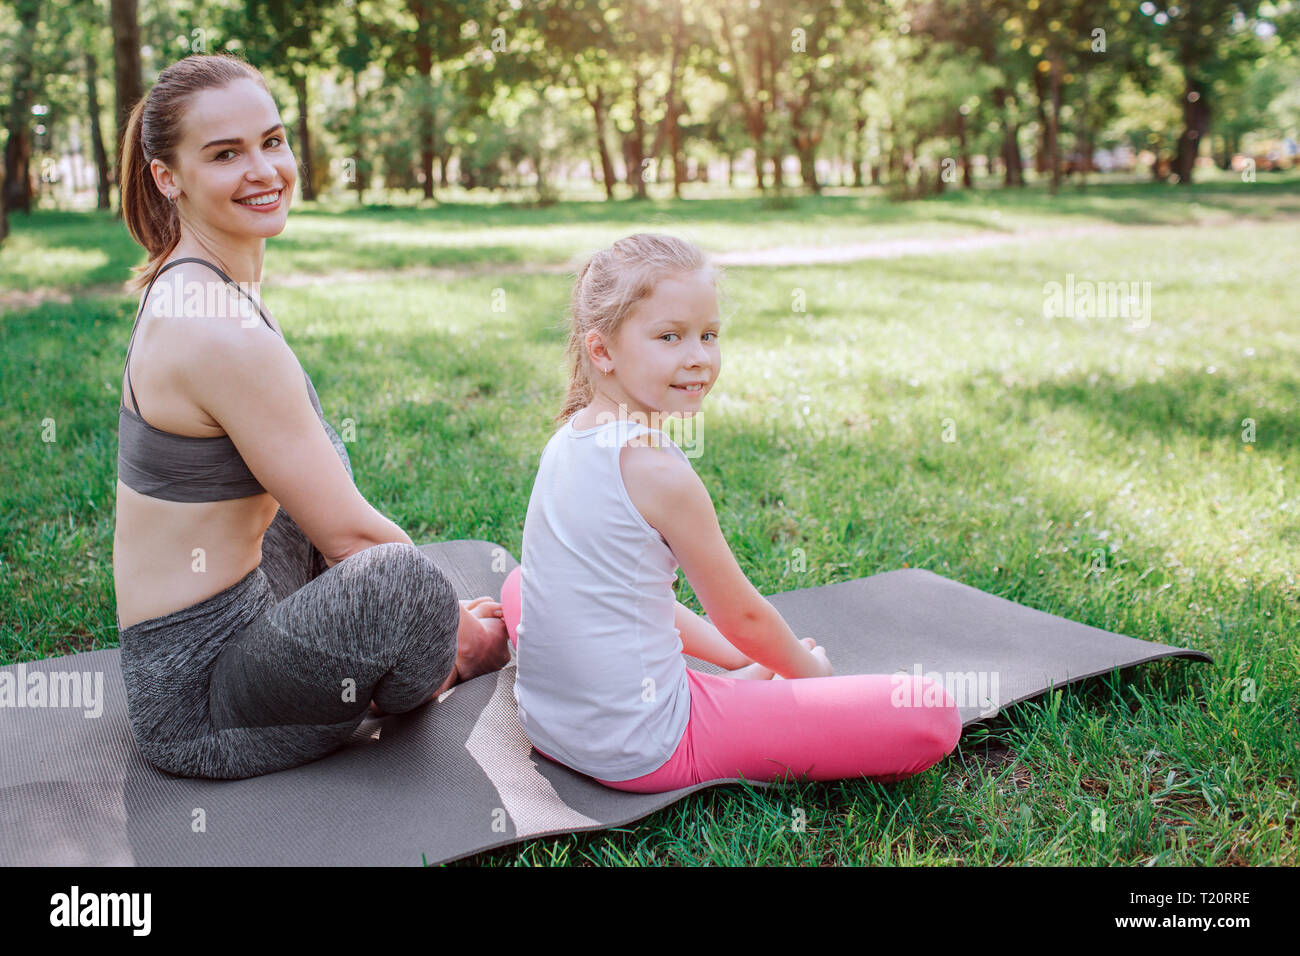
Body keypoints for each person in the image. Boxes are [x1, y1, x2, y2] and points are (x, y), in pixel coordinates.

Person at [112, 52, 508, 780]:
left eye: (272, 140)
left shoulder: (198, 278)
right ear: (168, 177)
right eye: (226, 154)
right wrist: (462, 632)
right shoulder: (218, 332)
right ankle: (445, 660)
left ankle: (413, 636)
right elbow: (353, 536)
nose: (264, 170)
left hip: (226, 627)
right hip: (201, 710)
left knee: (314, 465)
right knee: (401, 579)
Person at [498, 233, 962, 794]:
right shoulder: (660, 471)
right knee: (928, 712)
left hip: (548, 724)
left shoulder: (568, 437)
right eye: (669, 336)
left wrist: (735, 659)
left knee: (531, 583)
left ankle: (734, 675)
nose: (697, 356)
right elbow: (742, 617)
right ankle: (738, 687)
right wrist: (806, 673)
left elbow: (634, 595)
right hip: (647, 743)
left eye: (708, 335)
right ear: (602, 351)